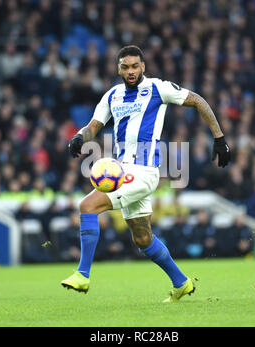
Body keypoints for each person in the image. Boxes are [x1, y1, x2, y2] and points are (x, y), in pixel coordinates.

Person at [61, 45, 231, 303]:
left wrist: (219, 138)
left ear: (143, 67)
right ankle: (181, 282)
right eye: (125, 66)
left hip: (143, 171)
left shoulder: (157, 88)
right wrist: (79, 137)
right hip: (122, 171)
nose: (130, 71)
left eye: (135, 66)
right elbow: (93, 126)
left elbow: (197, 100)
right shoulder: (112, 96)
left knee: (87, 206)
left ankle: (82, 274)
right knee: (142, 238)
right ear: (118, 68)